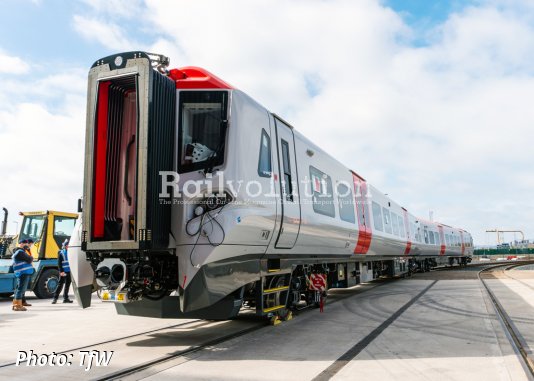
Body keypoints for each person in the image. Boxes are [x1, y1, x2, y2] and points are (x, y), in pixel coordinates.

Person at [12, 239, 35, 311]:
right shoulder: (20, 252)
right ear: (21, 244)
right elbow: (30, 259)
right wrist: (31, 257)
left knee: (20, 288)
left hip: (22, 272)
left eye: (26, 244)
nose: (26, 245)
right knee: (21, 289)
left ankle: (16, 304)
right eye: (24, 244)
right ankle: (17, 305)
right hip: (23, 272)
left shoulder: (19, 252)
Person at [52, 239, 73, 304]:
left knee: (67, 285)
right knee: (60, 285)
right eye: (68, 245)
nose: (68, 246)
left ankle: (65, 298)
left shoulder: (71, 252)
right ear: (65, 246)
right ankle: (55, 298)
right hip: (63, 271)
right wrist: (61, 271)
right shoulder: (61, 253)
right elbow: (59, 263)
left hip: (69, 271)